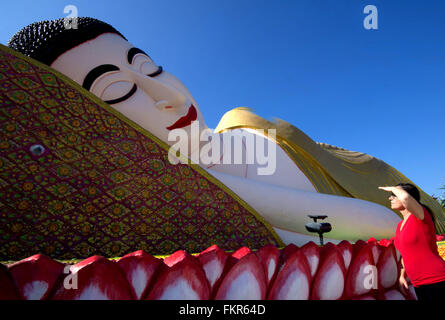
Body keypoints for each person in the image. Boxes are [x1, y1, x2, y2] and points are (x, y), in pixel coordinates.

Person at [7, 17, 444, 245]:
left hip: (355, 167)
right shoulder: (193, 202)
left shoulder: (230, 134)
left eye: (150, 67)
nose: (169, 95)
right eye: (119, 90)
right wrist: (197, 181)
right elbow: (382, 225)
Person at [379, 183, 445, 300]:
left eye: (394, 195)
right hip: (418, 283)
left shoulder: (420, 215)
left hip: (436, 279)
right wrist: (402, 274)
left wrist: (394, 188)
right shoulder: (400, 225)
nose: (390, 198)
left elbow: (405, 198)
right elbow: (406, 252)